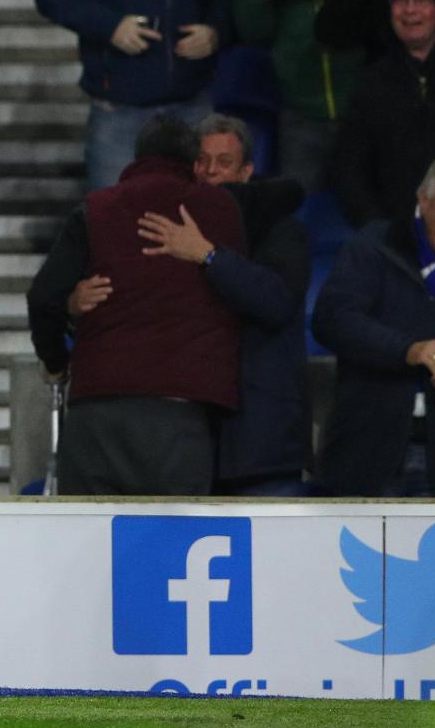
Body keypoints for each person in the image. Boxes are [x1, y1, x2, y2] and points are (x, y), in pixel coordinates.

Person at [26, 115, 246, 495]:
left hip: (97, 412)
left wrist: (57, 360)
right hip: (184, 412)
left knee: (91, 531)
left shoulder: (96, 209)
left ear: (138, 156)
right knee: (173, 532)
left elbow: (42, 298)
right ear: (195, 163)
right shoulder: (222, 210)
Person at [133, 114, 311, 494]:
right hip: (189, 439)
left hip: (262, 441)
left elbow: (275, 302)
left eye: (224, 162)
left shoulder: (280, 227)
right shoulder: (169, 231)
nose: (211, 171)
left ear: (247, 171)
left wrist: (209, 256)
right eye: (202, 160)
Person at [312, 155, 435, 497]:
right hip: (369, 452)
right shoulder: (376, 245)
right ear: (423, 199)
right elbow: (332, 319)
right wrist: (409, 350)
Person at [32, 0, 231, 192]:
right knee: (115, 211)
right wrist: (110, 26)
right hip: (119, 112)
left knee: (203, 209)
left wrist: (214, 32)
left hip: (193, 103)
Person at [233, 0, 363, 194]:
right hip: (300, 114)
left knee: (370, 206)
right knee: (295, 205)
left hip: (364, 110)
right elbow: (254, 34)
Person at [332, 0, 435, 227]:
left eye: (421, 0)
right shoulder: (372, 82)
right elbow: (350, 167)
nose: (409, 10)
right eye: (401, 0)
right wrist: (378, 226)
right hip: (392, 230)